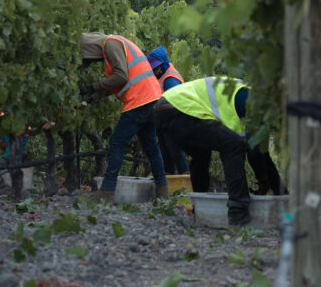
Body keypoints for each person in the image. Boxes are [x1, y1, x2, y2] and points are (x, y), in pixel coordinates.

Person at [78, 32, 168, 202]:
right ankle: (163, 192)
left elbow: (121, 76)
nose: (94, 61)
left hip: (139, 99)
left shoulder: (110, 44)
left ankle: (107, 191)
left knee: (116, 142)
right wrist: (93, 96)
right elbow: (122, 80)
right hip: (153, 98)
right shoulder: (119, 42)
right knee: (150, 146)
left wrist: (92, 87)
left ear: (91, 48)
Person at [152, 76, 253, 225]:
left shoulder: (240, 89)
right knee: (233, 144)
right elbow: (256, 151)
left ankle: (199, 209)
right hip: (179, 107)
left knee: (201, 153)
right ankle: (238, 213)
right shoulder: (248, 98)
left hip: (162, 109)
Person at [145, 46, 189, 175]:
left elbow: (173, 103)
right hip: (165, 121)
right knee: (165, 149)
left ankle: (185, 178)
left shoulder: (170, 79)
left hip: (174, 120)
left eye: (157, 66)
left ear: (163, 63)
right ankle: (169, 179)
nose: (155, 69)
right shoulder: (162, 76)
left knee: (174, 148)